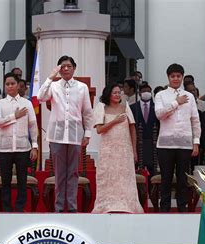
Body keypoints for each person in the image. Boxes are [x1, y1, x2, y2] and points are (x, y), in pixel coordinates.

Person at [37, 55, 93, 213]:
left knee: (73, 173)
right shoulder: (53, 86)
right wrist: (49, 77)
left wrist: (87, 133)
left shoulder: (82, 87)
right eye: (62, 66)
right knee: (59, 173)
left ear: (74, 68)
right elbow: (40, 97)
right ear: (58, 69)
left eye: (68, 66)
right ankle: (59, 208)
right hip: (57, 135)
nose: (66, 69)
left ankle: (72, 207)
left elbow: (87, 112)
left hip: (75, 134)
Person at [155, 63, 201, 213]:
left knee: (183, 179)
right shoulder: (161, 95)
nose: (175, 79)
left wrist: (196, 142)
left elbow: (195, 120)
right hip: (165, 145)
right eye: (173, 76)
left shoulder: (190, 96)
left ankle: (183, 209)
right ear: (168, 77)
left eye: (178, 76)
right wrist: (176, 102)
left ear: (182, 77)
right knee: (166, 179)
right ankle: (164, 210)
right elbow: (159, 114)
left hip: (185, 144)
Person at [92, 83, 143, 213]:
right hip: (108, 150)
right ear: (108, 94)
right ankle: (106, 205)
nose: (117, 95)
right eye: (114, 92)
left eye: (119, 92)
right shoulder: (101, 107)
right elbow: (99, 130)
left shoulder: (126, 107)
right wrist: (115, 121)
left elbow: (132, 129)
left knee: (125, 177)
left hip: (124, 150)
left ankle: (128, 205)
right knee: (108, 177)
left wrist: (134, 150)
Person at [0, 73, 38, 212]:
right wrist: (14, 116)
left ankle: (20, 209)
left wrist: (35, 146)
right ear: (4, 86)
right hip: (4, 148)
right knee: (5, 182)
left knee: (22, 181)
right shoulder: (0, 104)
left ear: (18, 85)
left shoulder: (27, 103)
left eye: (12, 83)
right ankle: (6, 209)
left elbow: (32, 125)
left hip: (23, 147)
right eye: (7, 84)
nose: (10, 86)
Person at [130, 83, 159, 177]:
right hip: (138, 142)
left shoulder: (157, 107)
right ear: (139, 93)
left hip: (153, 141)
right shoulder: (133, 108)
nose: (146, 93)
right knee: (138, 168)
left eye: (148, 91)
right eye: (144, 91)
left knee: (153, 169)